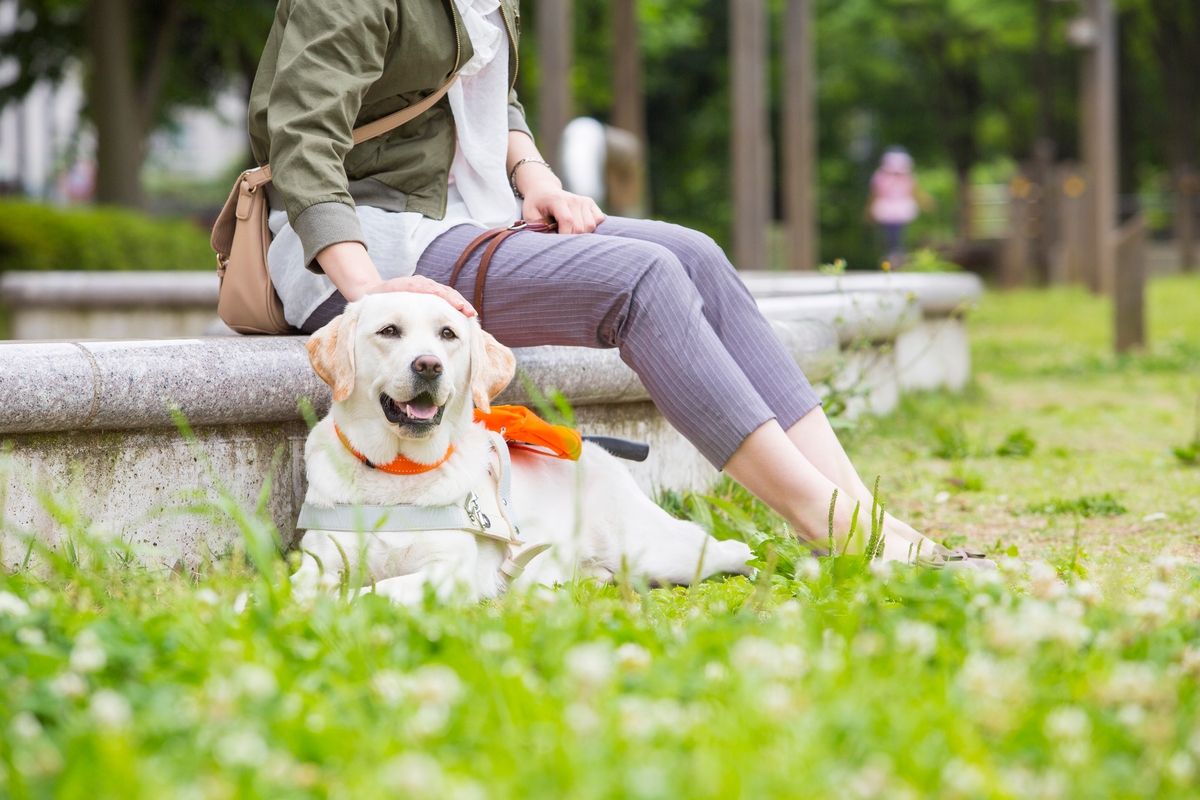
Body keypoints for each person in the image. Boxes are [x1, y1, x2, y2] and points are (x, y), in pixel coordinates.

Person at [249, 0, 987, 568]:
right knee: (640, 279)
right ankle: (825, 522)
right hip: (370, 246)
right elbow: (302, 140)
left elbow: (486, 97)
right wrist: (375, 295)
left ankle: (860, 511)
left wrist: (534, 178)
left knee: (695, 254)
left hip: (475, 221)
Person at [868, 148, 921, 264]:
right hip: (886, 208)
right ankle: (891, 254)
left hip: (901, 208)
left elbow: (914, 191)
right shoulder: (881, 176)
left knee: (900, 234)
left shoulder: (907, 176)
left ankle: (897, 254)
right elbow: (876, 193)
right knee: (889, 234)